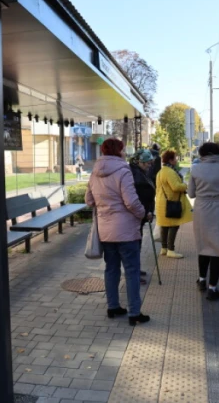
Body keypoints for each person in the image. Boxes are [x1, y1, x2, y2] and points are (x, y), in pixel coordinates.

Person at [85, 138, 150, 326]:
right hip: (126, 231)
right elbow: (131, 201)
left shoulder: (94, 173)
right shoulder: (123, 171)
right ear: (118, 151)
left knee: (111, 268)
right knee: (131, 271)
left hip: (105, 230)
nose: (124, 153)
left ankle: (113, 307)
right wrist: (142, 214)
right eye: (122, 149)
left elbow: (89, 200)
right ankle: (134, 313)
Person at [187, 142, 219, 300]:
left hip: (202, 210)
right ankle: (213, 288)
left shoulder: (195, 169)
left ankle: (202, 280)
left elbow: (191, 194)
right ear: (218, 153)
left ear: (202, 154)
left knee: (203, 245)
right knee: (217, 249)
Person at [155, 150, 193, 259]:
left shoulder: (161, 171)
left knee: (164, 226)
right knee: (174, 225)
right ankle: (171, 250)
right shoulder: (170, 172)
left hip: (162, 202)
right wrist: (185, 185)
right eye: (175, 158)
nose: (176, 160)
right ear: (171, 160)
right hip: (171, 202)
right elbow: (175, 187)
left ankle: (164, 248)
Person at [129, 149, 156, 284]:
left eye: (150, 163)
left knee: (137, 244)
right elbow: (140, 198)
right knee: (135, 245)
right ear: (138, 161)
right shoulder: (136, 175)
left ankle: (136, 270)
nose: (149, 165)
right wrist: (147, 212)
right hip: (138, 215)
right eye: (146, 163)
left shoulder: (141, 172)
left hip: (142, 213)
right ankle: (134, 274)